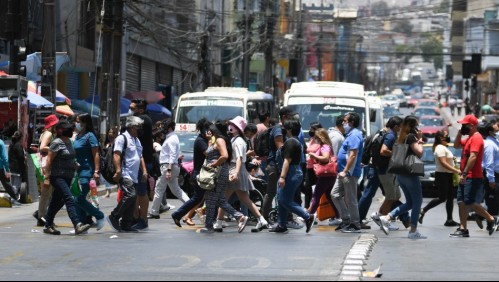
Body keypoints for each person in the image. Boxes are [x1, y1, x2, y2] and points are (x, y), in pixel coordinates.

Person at [215, 116, 269, 232]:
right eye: (231, 125)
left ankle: (227, 220)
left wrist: (235, 172)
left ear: (238, 129)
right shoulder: (235, 139)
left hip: (236, 169)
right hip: (236, 169)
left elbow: (239, 158)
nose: (231, 127)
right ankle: (261, 220)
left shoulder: (238, 141)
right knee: (242, 198)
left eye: (234, 126)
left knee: (224, 198)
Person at [450, 115, 499, 238]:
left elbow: (473, 157)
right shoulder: (470, 138)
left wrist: (465, 173)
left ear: (471, 126)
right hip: (465, 175)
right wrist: (460, 133)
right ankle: (463, 229)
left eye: (464, 125)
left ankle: (491, 219)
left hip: (472, 175)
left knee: (470, 202)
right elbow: (456, 145)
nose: (462, 126)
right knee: (461, 202)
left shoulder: (476, 138)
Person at [379, 116, 426, 239]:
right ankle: (413, 231)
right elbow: (419, 153)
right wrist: (419, 140)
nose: (418, 128)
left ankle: (387, 217)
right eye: (416, 126)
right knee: (417, 202)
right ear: (412, 127)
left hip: (401, 174)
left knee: (410, 203)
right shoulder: (410, 137)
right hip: (410, 174)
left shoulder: (400, 136)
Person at [198, 121, 248, 234]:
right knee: (219, 199)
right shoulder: (218, 140)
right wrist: (210, 142)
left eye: (212, 129)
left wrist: (215, 164)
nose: (210, 130)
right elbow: (208, 153)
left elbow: (224, 155)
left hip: (218, 172)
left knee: (211, 198)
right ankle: (240, 217)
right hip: (218, 172)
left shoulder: (220, 140)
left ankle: (209, 226)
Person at [42, 121, 91, 235]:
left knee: (56, 202)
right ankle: (77, 224)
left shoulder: (69, 141)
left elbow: (69, 157)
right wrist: (47, 177)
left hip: (68, 176)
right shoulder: (56, 142)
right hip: (57, 176)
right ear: (60, 130)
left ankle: (48, 225)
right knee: (69, 198)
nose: (70, 130)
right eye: (67, 129)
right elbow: (49, 160)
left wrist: (74, 164)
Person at [270, 119, 315, 234]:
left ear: (289, 130)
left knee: (285, 200)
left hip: (290, 173)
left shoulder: (291, 142)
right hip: (292, 172)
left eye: (285, 128)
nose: (283, 129)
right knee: (281, 199)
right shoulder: (294, 141)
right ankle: (282, 224)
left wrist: (282, 177)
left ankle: (307, 216)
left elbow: (287, 161)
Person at [362, 117, 407, 231]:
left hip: (382, 169)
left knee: (394, 196)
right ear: (396, 126)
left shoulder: (383, 133)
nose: (401, 129)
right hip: (384, 170)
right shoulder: (391, 135)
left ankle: (382, 217)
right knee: (391, 196)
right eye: (400, 127)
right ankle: (382, 217)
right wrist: (397, 154)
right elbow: (383, 150)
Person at [107, 116, 149, 233]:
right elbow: (117, 154)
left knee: (133, 197)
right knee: (131, 194)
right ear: (131, 127)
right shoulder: (122, 138)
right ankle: (114, 216)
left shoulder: (136, 140)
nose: (139, 129)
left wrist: (144, 171)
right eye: (137, 127)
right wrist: (118, 170)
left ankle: (126, 223)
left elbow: (140, 156)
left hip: (134, 174)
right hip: (125, 173)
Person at [171, 118, 211, 227]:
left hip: (202, 173)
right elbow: (208, 153)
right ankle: (178, 214)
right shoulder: (200, 141)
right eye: (209, 129)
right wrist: (213, 143)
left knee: (202, 197)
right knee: (197, 198)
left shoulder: (203, 140)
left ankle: (184, 215)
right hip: (199, 174)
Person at [148, 119, 190, 219]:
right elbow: (174, 154)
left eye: (165, 126)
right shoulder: (173, 138)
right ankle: (191, 205)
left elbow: (172, 155)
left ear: (170, 127)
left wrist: (169, 170)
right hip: (170, 166)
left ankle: (154, 212)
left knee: (159, 189)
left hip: (168, 166)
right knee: (176, 190)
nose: (163, 129)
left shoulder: (171, 139)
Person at [418, 130, 461, 227]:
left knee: (450, 198)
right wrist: (456, 170)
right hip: (442, 175)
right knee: (442, 198)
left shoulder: (444, 147)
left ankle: (449, 220)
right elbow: (443, 163)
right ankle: (423, 210)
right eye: (446, 135)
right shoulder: (440, 148)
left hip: (448, 175)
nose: (448, 137)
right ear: (441, 138)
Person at [331, 112, 364, 233]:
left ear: (351, 123)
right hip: (343, 172)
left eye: (345, 121)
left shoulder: (354, 135)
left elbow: (353, 155)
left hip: (349, 173)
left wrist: (345, 170)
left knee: (351, 199)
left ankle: (355, 224)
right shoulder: (350, 134)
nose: (343, 123)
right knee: (335, 194)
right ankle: (346, 220)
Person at [73, 113, 106, 231]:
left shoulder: (90, 136)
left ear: (85, 123)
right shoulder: (77, 136)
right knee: (76, 198)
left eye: (78, 121)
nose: (76, 123)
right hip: (77, 172)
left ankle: (100, 216)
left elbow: (96, 154)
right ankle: (82, 225)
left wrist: (96, 171)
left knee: (79, 199)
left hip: (87, 171)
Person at [129, 98, 154, 230]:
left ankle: (143, 219)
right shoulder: (143, 118)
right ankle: (135, 217)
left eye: (133, 109)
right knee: (135, 192)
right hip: (136, 160)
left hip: (142, 161)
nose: (131, 111)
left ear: (140, 109)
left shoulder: (143, 119)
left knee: (141, 192)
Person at [33, 114, 59, 226]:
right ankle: (42, 216)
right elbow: (42, 147)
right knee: (46, 192)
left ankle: (41, 214)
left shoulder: (45, 133)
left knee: (47, 192)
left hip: (44, 164)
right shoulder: (48, 134)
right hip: (45, 164)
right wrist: (56, 147)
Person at [306, 128, 336, 217]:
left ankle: (309, 215)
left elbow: (326, 158)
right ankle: (338, 216)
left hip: (325, 175)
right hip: (329, 175)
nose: (316, 139)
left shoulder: (325, 146)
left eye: (317, 137)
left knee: (316, 195)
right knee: (329, 196)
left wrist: (314, 155)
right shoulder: (326, 145)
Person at [481, 121, 499, 216]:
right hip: (493, 176)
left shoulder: (495, 142)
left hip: (496, 175)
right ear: (490, 132)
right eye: (496, 130)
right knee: (493, 202)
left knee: (496, 201)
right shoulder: (489, 145)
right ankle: (491, 223)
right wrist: (491, 180)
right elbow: (489, 163)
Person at [305, 122, 323, 209]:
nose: (310, 131)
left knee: (317, 191)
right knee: (308, 190)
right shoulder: (312, 139)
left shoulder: (321, 141)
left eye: (312, 130)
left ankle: (317, 210)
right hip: (309, 168)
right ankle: (307, 210)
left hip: (317, 169)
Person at [8, 131, 25, 200]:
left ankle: (11, 197)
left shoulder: (11, 144)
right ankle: (13, 198)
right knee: (16, 184)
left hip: (11, 167)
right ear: (20, 138)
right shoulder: (18, 145)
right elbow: (21, 157)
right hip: (17, 167)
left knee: (12, 184)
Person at [102, 127, 118, 198]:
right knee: (107, 175)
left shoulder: (117, 141)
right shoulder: (107, 143)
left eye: (111, 132)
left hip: (115, 162)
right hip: (108, 162)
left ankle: (119, 189)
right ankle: (108, 191)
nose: (110, 134)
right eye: (109, 132)